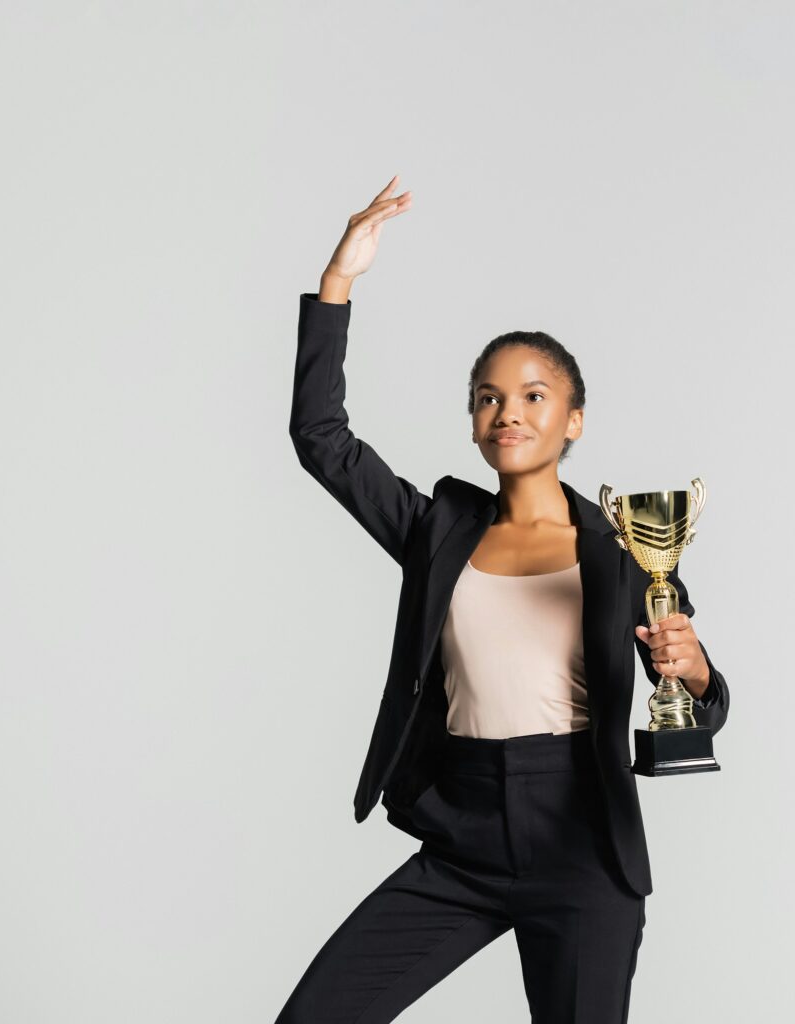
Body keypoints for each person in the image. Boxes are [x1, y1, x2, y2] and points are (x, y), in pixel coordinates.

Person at [275, 175, 730, 1023]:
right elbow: (322, 441)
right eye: (487, 396)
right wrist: (339, 282)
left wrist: (698, 675)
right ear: (472, 421)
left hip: (582, 840)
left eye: (532, 396)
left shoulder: (623, 547)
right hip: (463, 833)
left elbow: (704, 703)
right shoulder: (438, 530)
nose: (506, 412)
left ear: (574, 422)